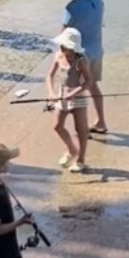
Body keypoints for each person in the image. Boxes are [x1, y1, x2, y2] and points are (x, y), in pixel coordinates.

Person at [56, 0, 107, 134]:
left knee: (77, 91)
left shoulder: (71, 8)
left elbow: (63, 35)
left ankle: (81, 127)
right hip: (97, 50)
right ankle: (101, 121)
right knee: (92, 86)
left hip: (79, 56)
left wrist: (60, 57)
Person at [46, 28, 93, 172]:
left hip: (78, 97)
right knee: (57, 126)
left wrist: (76, 92)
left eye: (72, 50)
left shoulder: (81, 60)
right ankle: (72, 149)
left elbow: (88, 81)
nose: (70, 53)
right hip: (62, 95)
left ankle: (81, 160)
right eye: (67, 49)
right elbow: (50, 76)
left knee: (81, 130)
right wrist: (51, 93)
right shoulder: (58, 56)